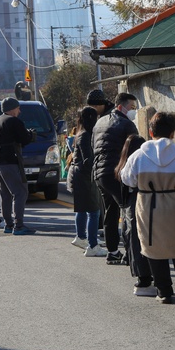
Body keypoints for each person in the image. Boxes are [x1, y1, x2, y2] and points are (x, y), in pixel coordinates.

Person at [120, 111, 175, 304]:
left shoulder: (138, 156)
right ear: (173, 133)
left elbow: (127, 179)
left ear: (151, 131)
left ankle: (164, 291)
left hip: (148, 206)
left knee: (153, 248)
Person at [92, 92, 138, 264]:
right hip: (117, 173)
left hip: (99, 174)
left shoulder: (100, 122)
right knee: (127, 211)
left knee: (110, 213)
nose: (134, 111)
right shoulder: (126, 125)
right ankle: (129, 253)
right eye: (132, 108)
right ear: (121, 107)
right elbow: (134, 151)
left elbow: (93, 147)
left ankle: (112, 252)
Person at [0, 97, 36, 235]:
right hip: (10, 160)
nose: (19, 111)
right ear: (12, 109)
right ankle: (19, 225)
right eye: (17, 108)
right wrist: (31, 135)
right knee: (20, 192)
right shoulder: (13, 121)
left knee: (5, 194)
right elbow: (24, 139)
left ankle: (8, 224)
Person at [116, 133, 154, 295]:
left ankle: (142, 278)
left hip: (130, 206)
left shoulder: (124, 165)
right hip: (145, 202)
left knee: (134, 238)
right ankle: (146, 279)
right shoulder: (144, 159)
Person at [70, 106, 106, 257]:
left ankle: (81, 237)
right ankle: (92, 245)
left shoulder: (81, 133)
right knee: (94, 211)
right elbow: (87, 161)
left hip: (78, 175)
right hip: (85, 177)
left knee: (82, 209)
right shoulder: (86, 136)